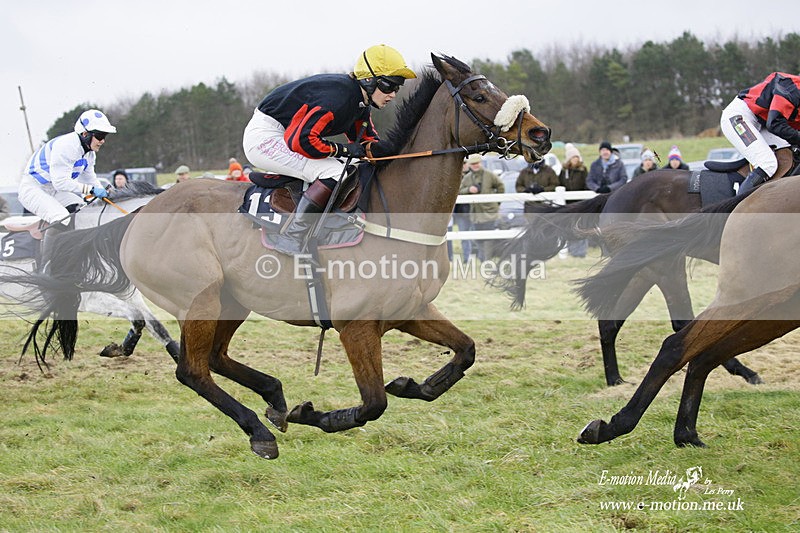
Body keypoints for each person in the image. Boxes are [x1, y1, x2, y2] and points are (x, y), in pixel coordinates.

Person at [242, 44, 416, 255]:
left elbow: (368, 143)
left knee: (353, 164)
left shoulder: (359, 101)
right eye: (389, 86)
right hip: (265, 137)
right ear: (369, 80)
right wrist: (343, 150)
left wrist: (396, 153)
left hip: (284, 134)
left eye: (398, 88)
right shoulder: (339, 98)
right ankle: (293, 235)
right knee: (333, 171)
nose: (393, 95)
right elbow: (302, 140)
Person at [17, 109, 115, 225]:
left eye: (105, 136)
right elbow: (61, 182)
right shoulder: (66, 146)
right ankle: (51, 243)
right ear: (85, 134)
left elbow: (89, 179)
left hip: (55, 190)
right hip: (34, 189)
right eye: (99, 136)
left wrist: (108, 197)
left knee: (85, 214)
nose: (103, 141)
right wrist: (92, 190)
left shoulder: (89, 154)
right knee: (62, 218)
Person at [721, 72, 800, 194]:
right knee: (767, 164)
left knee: (790, 154)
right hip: (739, 117)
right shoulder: (791, 88)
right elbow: (775, 124)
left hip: (762, 122)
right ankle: (737, 207)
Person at [459, 154, 504, 261]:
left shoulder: (489, 175)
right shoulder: (467, 178)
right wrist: (469, 190)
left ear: (481, 163)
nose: (475, 166)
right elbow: (460, 191)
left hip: (490, 213)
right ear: (469, 165)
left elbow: (500, 186)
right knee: (478, 238)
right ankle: (482, 257)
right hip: (476, 214)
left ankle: (486, 259)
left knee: (488, 238)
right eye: (473, 164)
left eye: (477, 163)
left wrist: (497, 202)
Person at [558, 143, 590, 257]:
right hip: (568, 205)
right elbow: (560, 184)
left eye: (577, 157)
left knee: (581, 228)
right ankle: (572, 251)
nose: (575, 159)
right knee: (569, 229)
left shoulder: (583, 170)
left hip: (580, 204)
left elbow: (587, 184)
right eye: (573, 157)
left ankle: (581, 252)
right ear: (569, 159)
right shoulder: (564, 171)